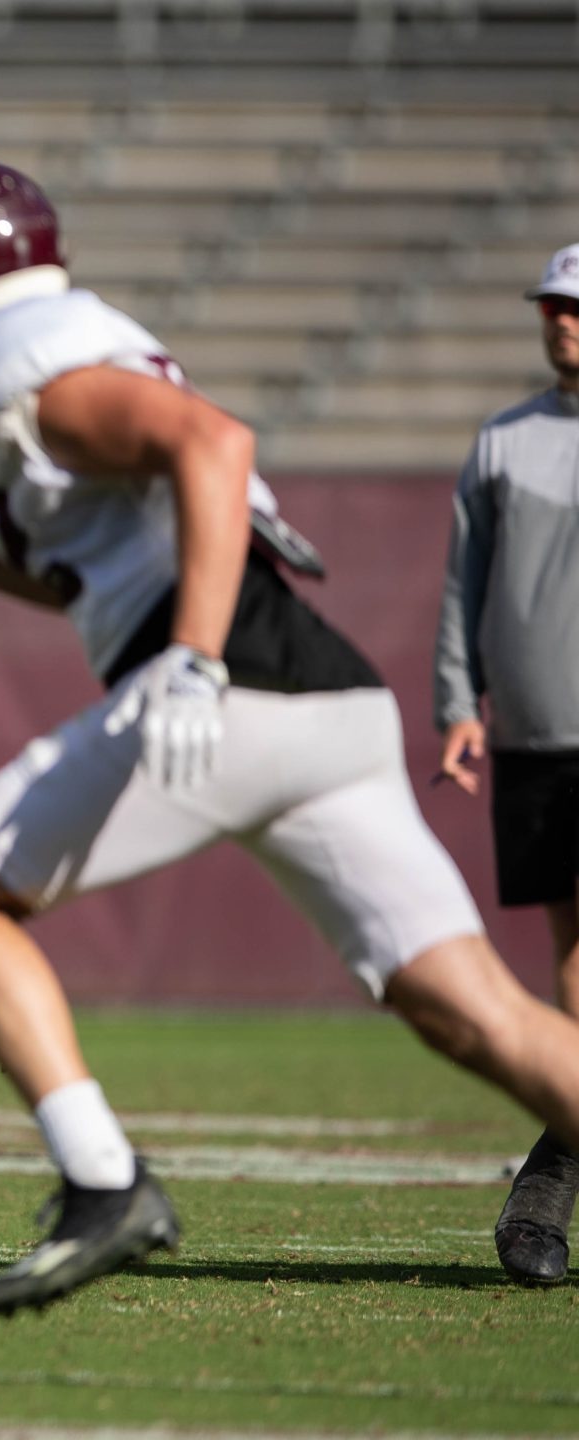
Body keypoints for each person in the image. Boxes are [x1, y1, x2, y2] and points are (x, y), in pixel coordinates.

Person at [0, 156, 579, 1315]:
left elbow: (212, 444)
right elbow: (95, 575)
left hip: (229, 680)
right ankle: (102, 1183)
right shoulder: (62, 338)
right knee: (480, 1017)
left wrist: (192, 658)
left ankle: (103, 1183)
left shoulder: (11, 351)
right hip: (318, 695)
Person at [432, 242, 579, 1286]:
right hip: (530, 733)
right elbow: (461, 585)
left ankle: (546, 1187)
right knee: (570, 964)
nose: (561, 322)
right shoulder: (502, 441)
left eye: (576, 309)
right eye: (553, 308)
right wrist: (455, 703)